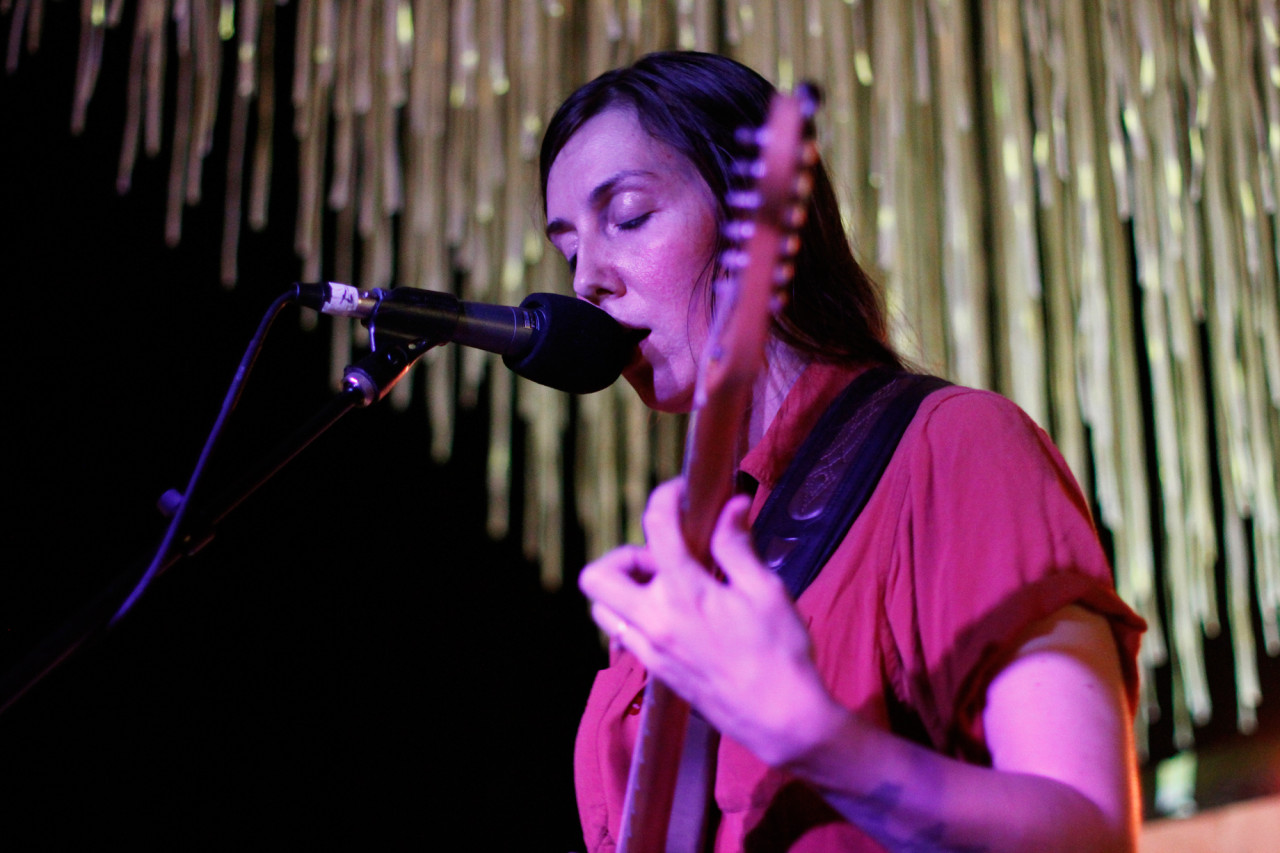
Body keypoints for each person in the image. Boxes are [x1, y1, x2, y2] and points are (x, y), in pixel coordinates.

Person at [540, 51, 1146, 853]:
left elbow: (1090, 832)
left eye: (627, 216)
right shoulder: (685, 571)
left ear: (747, 216)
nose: (586, 279)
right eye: (566, 247)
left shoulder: (951, 449)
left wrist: (813, 735)